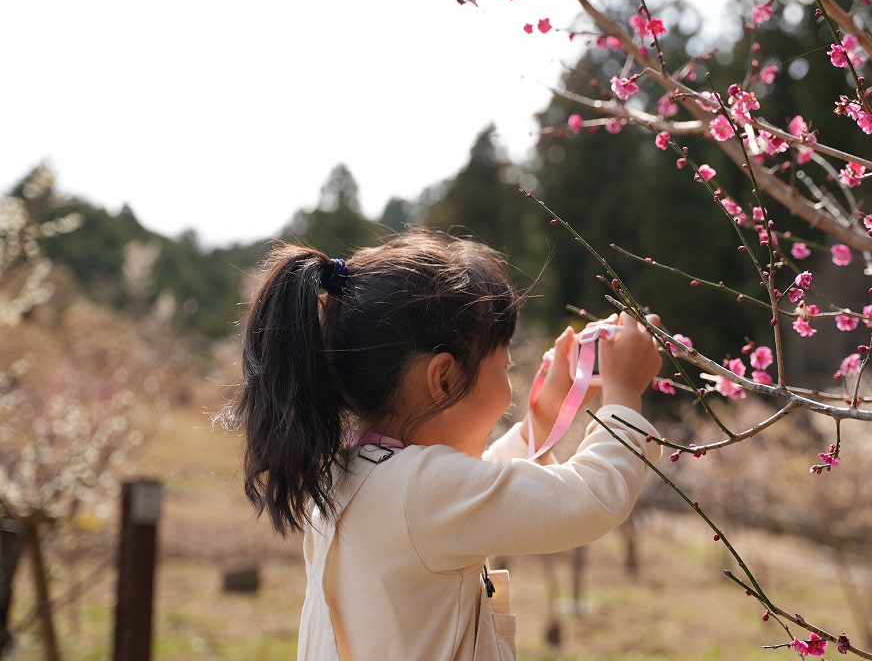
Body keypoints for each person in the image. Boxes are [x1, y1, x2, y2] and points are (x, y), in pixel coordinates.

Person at [220, 229, 663, 660]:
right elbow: (588, 500)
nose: (510, 385)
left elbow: (476, 490)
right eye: (505, 367)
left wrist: (543, 419)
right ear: (445, 378)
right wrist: (624, 394)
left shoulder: (351, 473)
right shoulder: (422, 493)